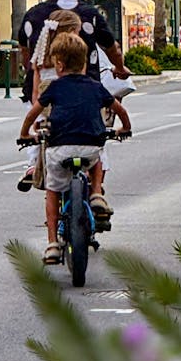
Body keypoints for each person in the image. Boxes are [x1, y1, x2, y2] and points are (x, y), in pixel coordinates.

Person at [19, 32, 131, 264]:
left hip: (59, 150)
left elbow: (34, 112)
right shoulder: (95, 86)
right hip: (89, 150)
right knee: (98, 153)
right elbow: (120, 110)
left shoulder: (54, 88)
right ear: (84, 63)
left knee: (53, 189)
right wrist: (125, 129)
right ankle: (97, 192)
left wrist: (24, 134)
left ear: (58, 64)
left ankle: (51, 243)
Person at [18, 0, 129, 104]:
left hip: (41, 95)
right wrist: (120, 67)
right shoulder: (89, 14)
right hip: (83, 94)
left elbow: (25, 51)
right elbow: (112, 47)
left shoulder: (32, 15)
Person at [16, 9, 82, 192]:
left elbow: (36, 93)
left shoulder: (41, 59)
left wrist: (37, 117)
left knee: (44, 144)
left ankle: (34, 169)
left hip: (47, 111)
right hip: (71, 111)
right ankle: (94, 188)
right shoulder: (74, 59)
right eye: (76, 32)